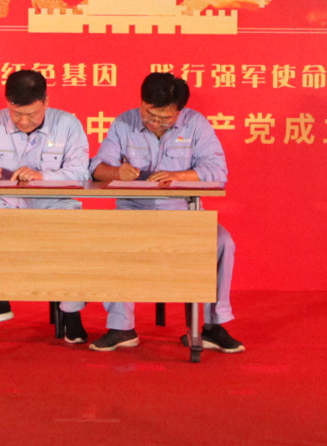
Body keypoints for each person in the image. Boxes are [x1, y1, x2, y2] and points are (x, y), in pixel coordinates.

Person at [88, 71, 244, 353]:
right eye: (149, 115)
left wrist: (179, 176)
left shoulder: (196, 124)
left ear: (179, 111)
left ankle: (213, 326)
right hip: (133, 214)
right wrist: (117, 172)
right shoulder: (124, 123)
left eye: (165, 118)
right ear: (141, 102)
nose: (154, 123)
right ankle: (121, 327)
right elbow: (96, 168)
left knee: (223, 242)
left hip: (182, 214)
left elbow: (218, 170)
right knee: (109, 239)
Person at [0, 68, 93, 344]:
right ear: (7, 103)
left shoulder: (68, 125)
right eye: (16, 114)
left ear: (46, 102)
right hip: (4, 207)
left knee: (76, 235)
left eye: (32, 114)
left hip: (53, 207)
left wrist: (43, 176)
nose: (23, 121)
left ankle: (71, 312)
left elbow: (80, 173)